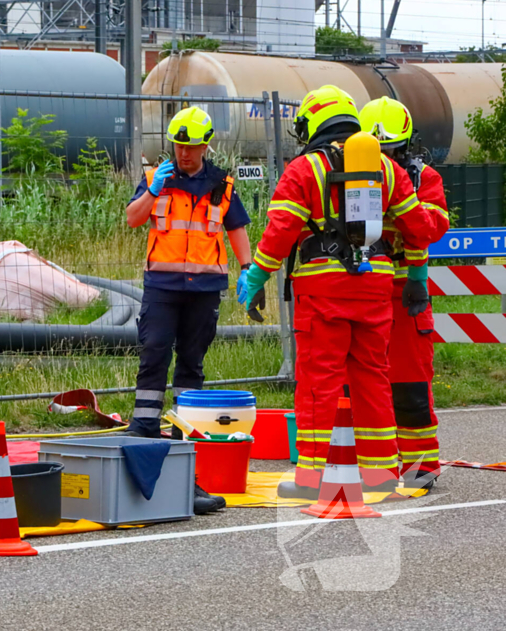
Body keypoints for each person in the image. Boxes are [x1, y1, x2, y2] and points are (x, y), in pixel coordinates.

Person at [240, 85, 440, 499]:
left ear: (313, 123)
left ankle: (311, 480)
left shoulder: (304, 169)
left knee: (319, 380)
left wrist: (257, 276)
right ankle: (382, 475)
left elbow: (280, 233)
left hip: (323, 289)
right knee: (373, 379)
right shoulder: (386, 168)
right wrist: (414, 268)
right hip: (376, 286)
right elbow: (421, 227)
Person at [125, 106, 253, 515]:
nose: (184, 154)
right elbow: (132, 219)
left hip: (205, 289)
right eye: (179, 145)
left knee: (192, 364)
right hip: (162, 286)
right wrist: (153, 192)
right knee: (154, 352)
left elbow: (236, 230)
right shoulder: (154, 179)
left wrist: (249, 270)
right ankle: (144, 430)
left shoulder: (222, 184)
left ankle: (184, 430)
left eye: (192, 146)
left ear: (205, 145)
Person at [358, 97, 450, 490]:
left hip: (405, 292)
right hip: (362, 288)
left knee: (411, 381)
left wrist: (403, 208)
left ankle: (420, 466)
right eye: (379, 153)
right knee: (361, 381)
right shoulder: (351, 177)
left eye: (392, 151)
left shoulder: (422, 177)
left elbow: (434, 225)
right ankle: (368, 464)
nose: (387, 161)